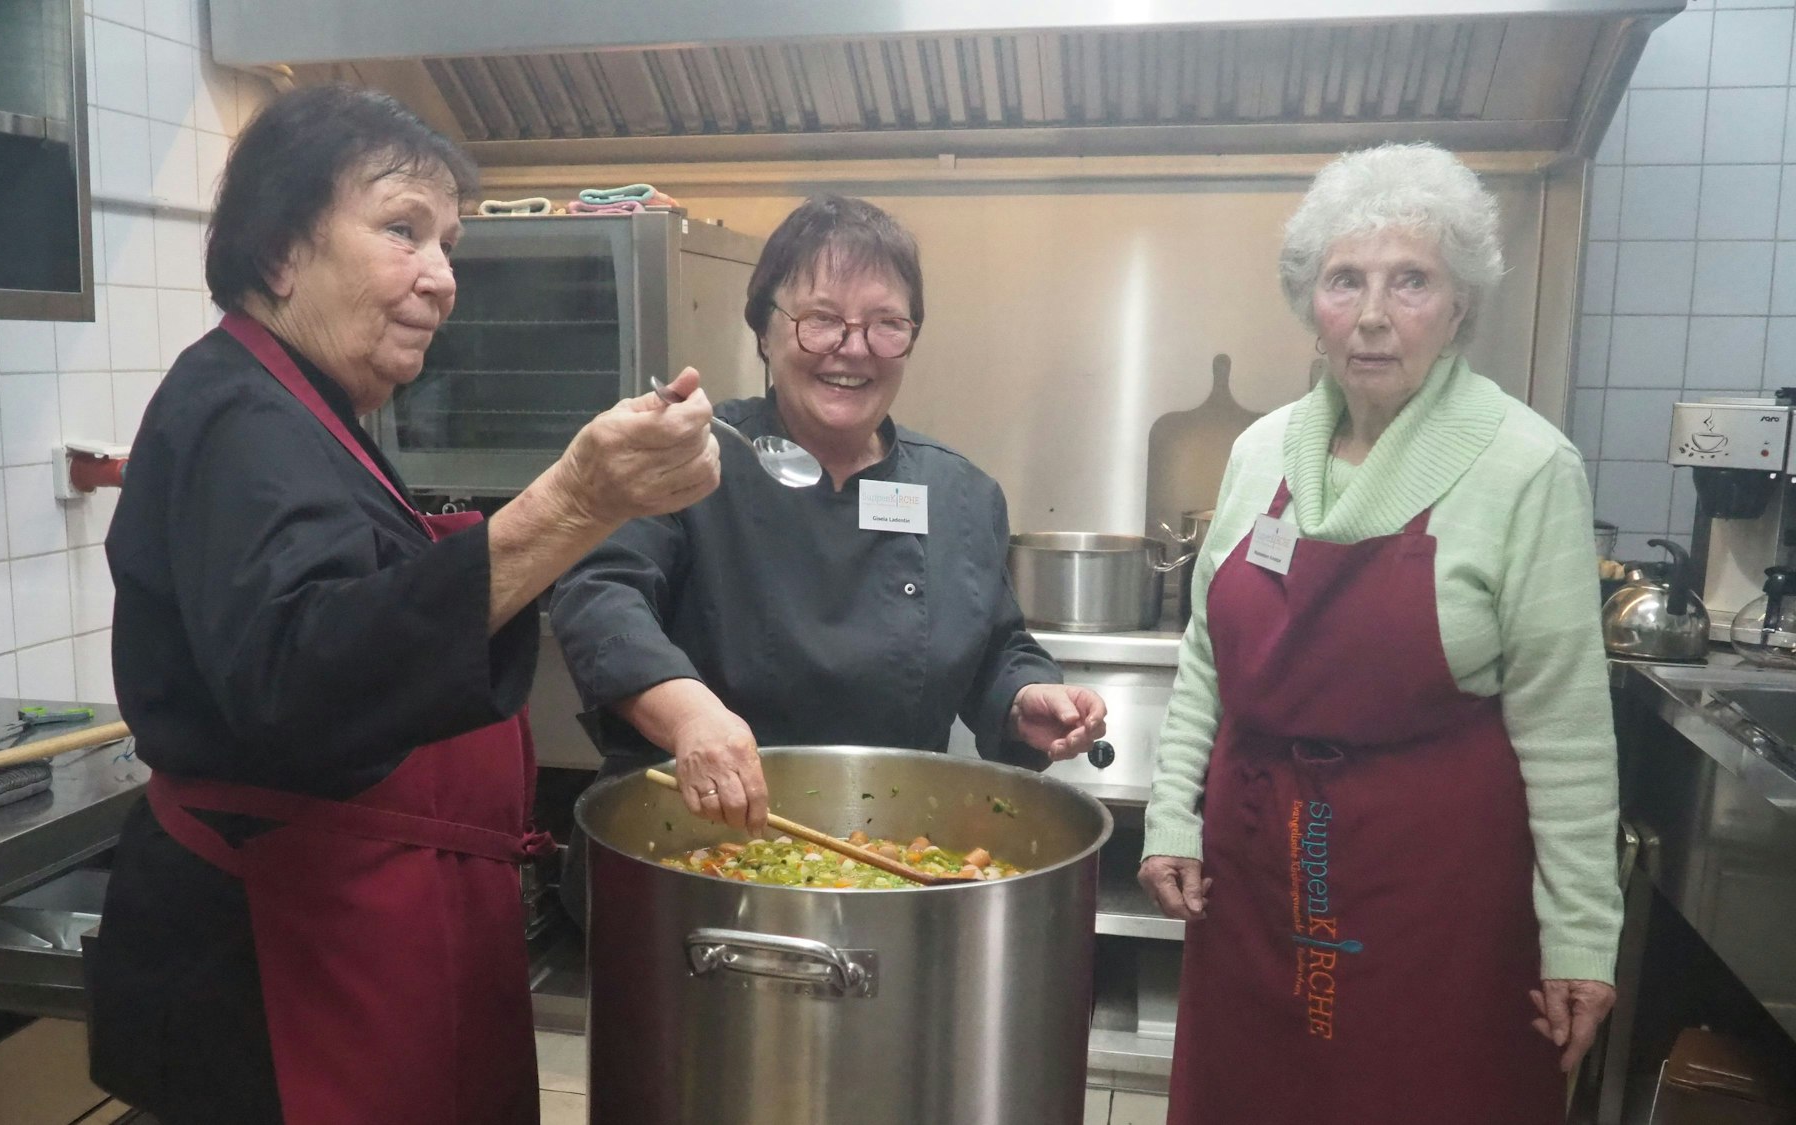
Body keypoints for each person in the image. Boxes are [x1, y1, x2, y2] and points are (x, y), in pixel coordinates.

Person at [83, 84, 721, 1125]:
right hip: (283, 962)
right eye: (401, 230)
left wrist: (578, 507)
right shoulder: (237, 415)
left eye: (448, 242)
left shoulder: (307, 408)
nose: (442, 278)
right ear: (281, 249)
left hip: (366, 926)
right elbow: (304, 675)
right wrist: (572, 500)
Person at [1136, 143, 1622, 1124]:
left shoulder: (1527, 467)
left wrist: (1579, 937)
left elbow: (1564, 728)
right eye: (1343, 280)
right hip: (1253, 873)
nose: (1369, 314)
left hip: (1434, 895)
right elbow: (1204, 660)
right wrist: (1170, 818)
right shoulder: (1257, 448)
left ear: (1457, 306)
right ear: (1306, 302)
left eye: (1409, 281)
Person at [550, 194, 1107, 920]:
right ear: (764, 329)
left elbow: (996, 642)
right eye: (821, 320)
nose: (853, 347)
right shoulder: (687, 460)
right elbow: (597, 594)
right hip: (693, 857)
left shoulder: (960, 492)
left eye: (886, 324)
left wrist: (1026, 696)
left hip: (893, 867)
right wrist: (690, 718)